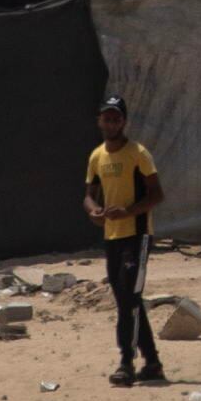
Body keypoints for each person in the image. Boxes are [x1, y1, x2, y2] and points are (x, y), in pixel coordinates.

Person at [85, 94, 169, 384]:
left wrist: (128, 211)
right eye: (106, 118)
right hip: (112, 236)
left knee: (130, 299)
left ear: (123, 121)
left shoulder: (138, 153)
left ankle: (126, 362)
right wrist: (94, 211)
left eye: (116, 118)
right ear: (99, 121)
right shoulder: (97, 156)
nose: (111, 123)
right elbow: (89, 195)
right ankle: (153, 362)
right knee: (125, 300)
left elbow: (157, 194)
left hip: (138, 235)